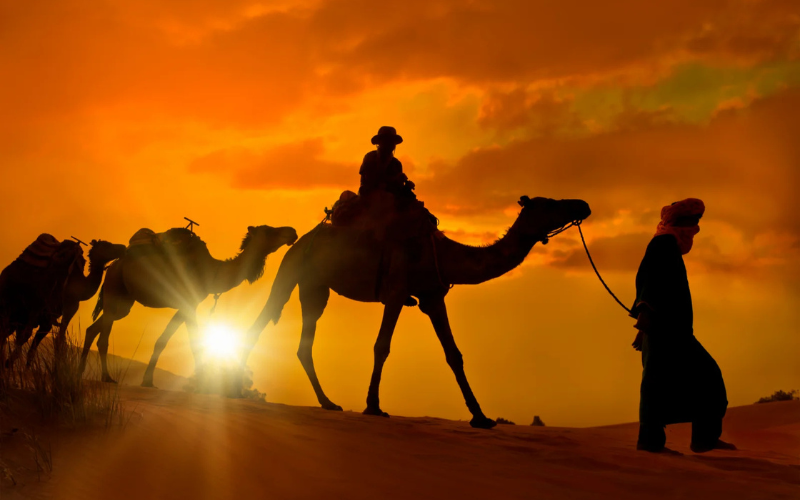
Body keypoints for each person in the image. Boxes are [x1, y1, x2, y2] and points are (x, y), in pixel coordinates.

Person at [631, 198, 734, 453]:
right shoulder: (663, 245)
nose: (695, 228)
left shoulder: (667, 245)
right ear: (677, 223)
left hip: (671, 329)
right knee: (703, 378)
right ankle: (657, 442)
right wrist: (644, 319)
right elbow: (649, 281)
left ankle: (700, 439)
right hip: (666, 330)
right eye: (691, 222)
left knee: (666, 382)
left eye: (697, 221)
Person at [359, 126, 415, 199]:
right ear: (380, 142)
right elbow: (370, 180)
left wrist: (406, 186)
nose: (389, 144)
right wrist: (395, 179)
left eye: (392, 141)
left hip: (390, 199)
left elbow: (398, 189)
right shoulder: (370, 157)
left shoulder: (396, 164)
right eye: (386, 140)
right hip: (369, 197)